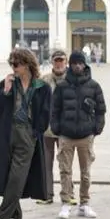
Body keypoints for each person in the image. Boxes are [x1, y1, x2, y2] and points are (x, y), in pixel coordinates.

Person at [0, 48, 52, 219]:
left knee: (18, 177)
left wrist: (35, 132)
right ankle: (17, 217)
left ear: (27, 64)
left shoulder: (42, 87)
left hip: (27, 134)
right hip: (6, 133)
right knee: (9, 177)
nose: (13, 68)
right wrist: (6, 91)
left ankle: (0, 218)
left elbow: (46, 114)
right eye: (12, 64)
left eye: (16, 65)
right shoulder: (8, 83)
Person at [51, 51, 106, 219]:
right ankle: (66, 203)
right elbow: (54, 109)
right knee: (65, 171)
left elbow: (101, 110)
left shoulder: (94, 86)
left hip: (85, 135)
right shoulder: (61, 86)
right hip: (66, 135)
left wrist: (96, 128)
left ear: (85, 65)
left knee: (85, 172)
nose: (77, 66)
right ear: (70, 65)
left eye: (80, 63)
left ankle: (85, 203)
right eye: (74, 63)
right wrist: (56, 128)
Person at [39, 49, 68, 205]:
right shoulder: (44, 80)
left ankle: (68, 194)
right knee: (46, 164)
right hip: (47, 129)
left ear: (66, 62)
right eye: (56, 61)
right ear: (52, 62)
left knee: (65, 164)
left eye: (61, 60)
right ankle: (47, 194)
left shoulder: (71, 80)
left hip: (65, 129)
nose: (59, 64)